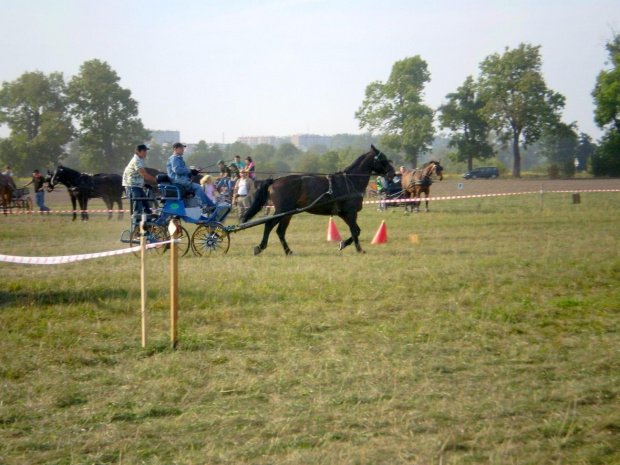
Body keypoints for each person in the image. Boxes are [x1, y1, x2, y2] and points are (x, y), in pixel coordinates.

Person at [166, 142, 215, 214]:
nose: (183, 150)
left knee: (200, 190)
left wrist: (193, 172)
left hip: (181, 180)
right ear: (175, 149)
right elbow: (176, 170)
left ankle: (213, 207)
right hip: (178, 181)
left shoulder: (178, 159)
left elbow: (182, 172)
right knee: (198, 187)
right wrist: (190, 171)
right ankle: (204, 206)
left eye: (183, 148)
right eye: (181, 148)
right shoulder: (174, 158)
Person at [122, 144, 159, 216]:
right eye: (144, 151)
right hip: (132, 186)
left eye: (146, 151)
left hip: (138, 186)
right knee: (138, 208)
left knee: (147, 207)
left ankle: (147, 225)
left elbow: (143, 174)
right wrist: (157, 180)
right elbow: (144, 175)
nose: (145, 153)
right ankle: (136, 226)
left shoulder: (140, 160)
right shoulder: (136, 161)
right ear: (137, 151)